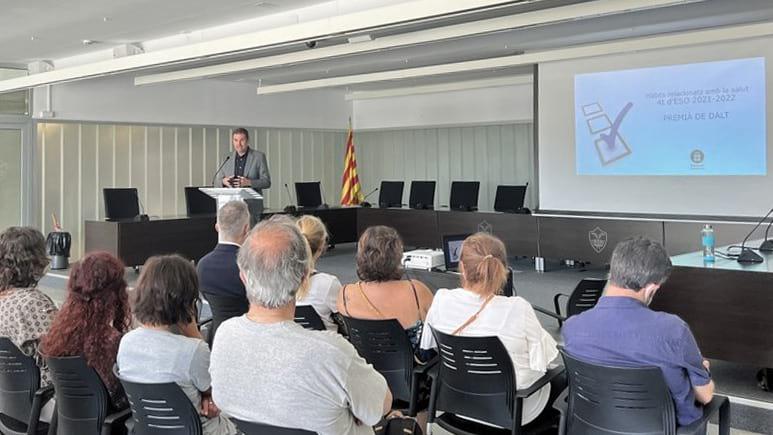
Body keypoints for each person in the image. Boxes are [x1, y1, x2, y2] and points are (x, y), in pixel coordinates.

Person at [210, 216, 391, 435]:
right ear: (304, 278)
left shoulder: (224, 336)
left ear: (243, 277)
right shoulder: (331, 353)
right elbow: (381, 406)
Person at [563, 237, 714, 427]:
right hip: (666, 429)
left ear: (613, 273)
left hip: (598, 426)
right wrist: (702, 369)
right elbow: (706, 396)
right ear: (652, 288)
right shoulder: (674, 330)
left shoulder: (572, 327)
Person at [419, 232, 560, 425]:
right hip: (512, 411)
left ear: (461, 267)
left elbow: (431, 348)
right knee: (562, 379)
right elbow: (543, 361)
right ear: (504, 269)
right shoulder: (518, 307)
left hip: (459, 404)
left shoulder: (442, 299)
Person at [117, 255, 236, 435]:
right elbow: (218, 392)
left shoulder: (126, 343)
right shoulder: (193, 350)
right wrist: (194, 333)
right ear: (187, 301)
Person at [41, 252, 130, 410]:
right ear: (115, 294)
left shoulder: (59, 334)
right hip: (107, 423)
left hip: (66, 421)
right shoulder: (111, 340)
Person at [337, 226, 433, 357]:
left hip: (365, 365)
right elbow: (436, 329)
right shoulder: (417, 290)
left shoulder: (345, 294)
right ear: (398, 255)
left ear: (360, 255)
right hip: (410, 369)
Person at [0, 227, 57, 386]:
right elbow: (63, 355)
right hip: (46, 400)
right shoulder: (33, 303)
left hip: (8, 401)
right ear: (35, 262)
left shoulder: (5, 299)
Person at [197, 201, 250, 342]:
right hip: (248, 338)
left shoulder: (202, 266)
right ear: (246, 229)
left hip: (217, 339)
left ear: (217, 227)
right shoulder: (250, 266)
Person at [296, 215, 341, 331]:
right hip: (327, 346)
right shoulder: (328, 283)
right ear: (321, 247)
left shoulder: (275, 284)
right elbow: (347, 322)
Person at [215, 128, 270, 193]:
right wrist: (223, 181)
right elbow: (216, 181)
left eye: (242, 140)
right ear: (232, 141)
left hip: (251, 202)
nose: (238, 144)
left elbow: (267, 182)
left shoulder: (258, 157)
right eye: (236, 140)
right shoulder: (226, 157)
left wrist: (249, 182)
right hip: (230, 201)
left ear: (247, 141)